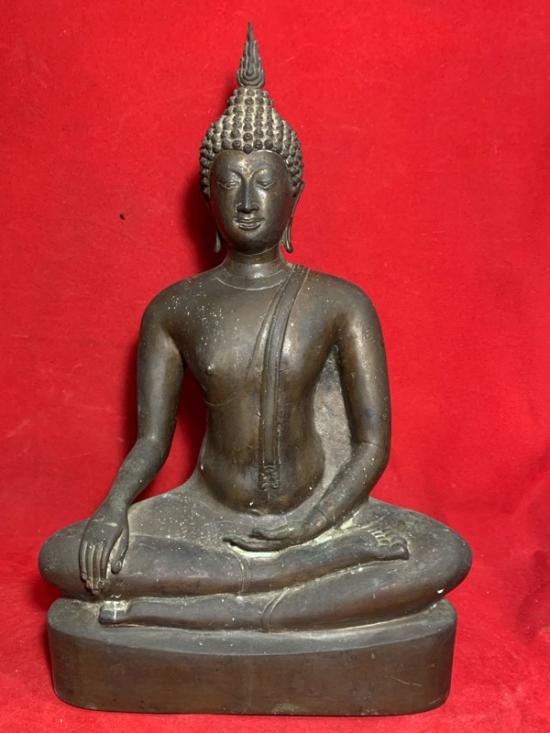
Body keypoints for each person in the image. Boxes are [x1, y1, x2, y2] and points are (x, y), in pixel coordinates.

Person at [39, 25, 470, 632]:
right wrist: (112, 508)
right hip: (206, 517)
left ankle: (238, 592)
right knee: (65, 557)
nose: (247, 200)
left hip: (317, 516)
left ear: (294, 193)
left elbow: (372, 446)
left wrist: (311, 525)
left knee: (443, 554)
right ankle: (275, 589)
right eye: (229, 183)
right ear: (209, 198)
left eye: (264, 181)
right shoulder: (174, 308)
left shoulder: (340, 303)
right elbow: (152, 442)